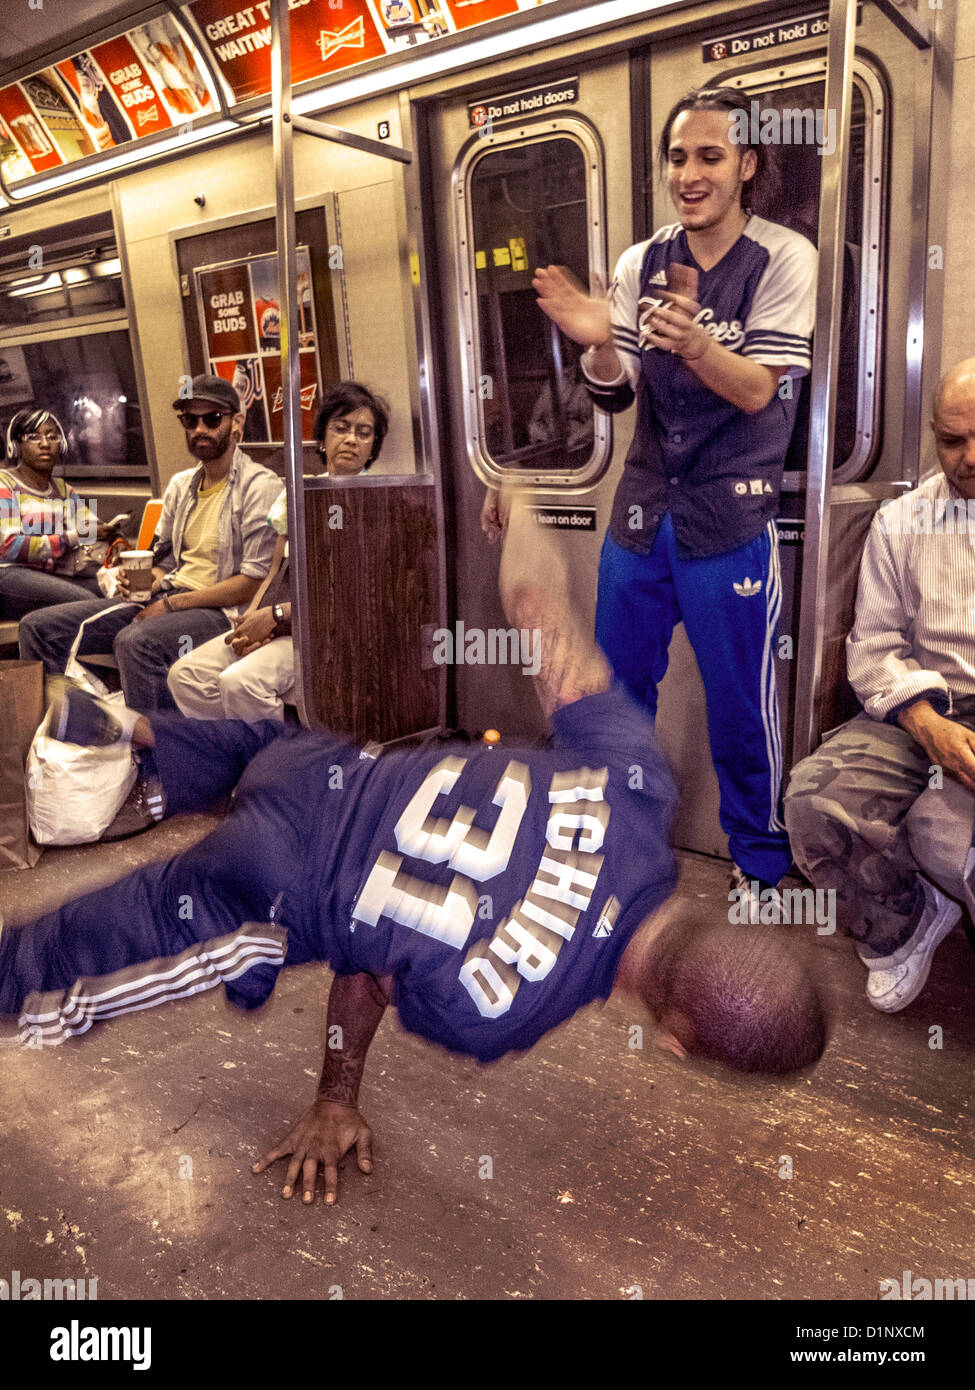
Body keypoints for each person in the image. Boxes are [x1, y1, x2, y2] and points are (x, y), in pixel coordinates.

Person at [0, 491, 827, 1205]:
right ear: (675, 1041)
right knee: (100, 944)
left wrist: (522, 500)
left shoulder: (637, 782)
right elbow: (367, 968)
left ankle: (137, 730)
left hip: (322, 767)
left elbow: (540, 606)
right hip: (275, 885)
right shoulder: (501, 1013)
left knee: (255, 746)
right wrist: (336, 1095)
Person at [484, 86, 817, 911]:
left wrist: (698, 343)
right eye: (677, 157)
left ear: (746, 165)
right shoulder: (641, 262)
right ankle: (614, 848)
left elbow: (755, 393)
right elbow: (613, 397)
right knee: (614, 693)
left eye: (709, 156)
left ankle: (760, 864)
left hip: (730, 517)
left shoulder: (783, 259)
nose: (689, 173)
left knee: (741, 705)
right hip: (641, 514)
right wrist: (600, 348)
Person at [785, 360, 975, 1014]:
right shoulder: (901, 523)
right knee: (811, 804)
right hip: (922, 704)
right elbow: (872, 646)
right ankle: (900, 921)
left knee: (956, 843)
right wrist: (926, 724)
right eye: (951, 441)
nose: (967, 457)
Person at [17, 376, 281, 712]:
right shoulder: (181, 486)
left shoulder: (260, 487)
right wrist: (144, 579)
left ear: (236, 422)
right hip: (172, 595)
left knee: (136, 642)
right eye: (190, 420)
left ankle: (161, 754)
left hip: (223, 611)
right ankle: (62, 740)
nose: (200, 429)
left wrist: (173, 605)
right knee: (37, 628)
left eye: (212, 419)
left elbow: (253, 583)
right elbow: (165, 560)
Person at [166, 382, 389, 722]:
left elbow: (356, 593)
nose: (351, 440)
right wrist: (250, 622)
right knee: (186, 675)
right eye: (341, 428)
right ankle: (233, 749)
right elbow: (274, 572)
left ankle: (274, 759)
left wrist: (277, 618)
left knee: (240, 682)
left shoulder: (380, 502)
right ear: (322, 439)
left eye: (364, 432)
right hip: (281, 614)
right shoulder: (296, 494)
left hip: (330, 628)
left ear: (373, 446)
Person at [0, 408, 107, 621]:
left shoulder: (63, 489)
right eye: (33, 437)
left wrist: (110, 534)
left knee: (113, 594)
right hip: (8, 574)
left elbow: (89, 525)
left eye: (52, 436)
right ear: (16, 446)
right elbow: (10, 547)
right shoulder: (5, 484)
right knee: (86, 602)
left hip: (51, 573)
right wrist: (74, 536)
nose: (45, 444)